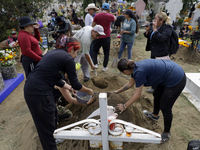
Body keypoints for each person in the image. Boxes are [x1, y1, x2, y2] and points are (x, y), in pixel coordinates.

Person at [24, 36, 94, 150]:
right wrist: (88, 90)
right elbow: (76, 83)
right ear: (71, 49)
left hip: (32, 89)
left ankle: (53, 138)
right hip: (40, 93)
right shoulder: (67, 58)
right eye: (76, 52)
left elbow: (56, 78)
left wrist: (70, 88)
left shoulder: (54, 53)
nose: (76, 56)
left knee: (51, 118)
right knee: (45, 128)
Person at [115, 58, 186, 143]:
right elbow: (130, 84)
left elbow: (137, 94)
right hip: (167, 74)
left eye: (122, 72)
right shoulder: (134, 68)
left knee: (165, 107)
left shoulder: (139, 72)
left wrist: (124, 106)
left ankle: (166, 133)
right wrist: (117, 91)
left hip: (176, 77)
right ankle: (154, 115)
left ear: (125, 71)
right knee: (156, 94)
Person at [144, 12, 172, 93]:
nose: (154, 20)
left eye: (156, 18)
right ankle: (153, 87)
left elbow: (161, 38)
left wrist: (155, 29)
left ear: (161, 20)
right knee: (154, 70)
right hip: (154, 52)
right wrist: (147, 30)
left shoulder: (167, 28)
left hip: (161, 53)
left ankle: (160, 88)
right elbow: (151, 36)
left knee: (160, 71)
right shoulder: (158, 27)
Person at [92, 3, 116, 72]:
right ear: (108, 9)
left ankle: (95, 64)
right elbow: (115, 18)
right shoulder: (110, 16)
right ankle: (104, 67)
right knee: (106, 52)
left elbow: (93, 25)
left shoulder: (97, 15)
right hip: (106, 37)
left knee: (95, 50)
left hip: (98, 36)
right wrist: (111, 14)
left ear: (102, 9)